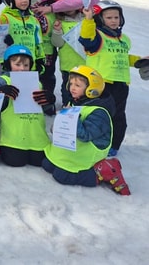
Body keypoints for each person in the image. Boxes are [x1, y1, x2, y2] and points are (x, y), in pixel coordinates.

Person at [42, 66, 130, 195]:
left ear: (92, 89)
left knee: (61, 175)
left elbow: (86, 135)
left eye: (77, 85)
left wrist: (71, 117)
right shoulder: (77, 101)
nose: (72, 87)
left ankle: (100, 172)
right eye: (71, 83)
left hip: (86, 154)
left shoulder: (99, 112)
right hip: (73, 149)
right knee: (47, 164)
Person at [79, 1, 147, 158]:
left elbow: (124, 57)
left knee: (118, 117)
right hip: (101, 84)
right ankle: (93, 140)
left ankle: (114, 145)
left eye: (116, 17)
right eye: (109, 17)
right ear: (100, 19)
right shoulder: (97, 37)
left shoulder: (124, 39)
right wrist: (88, 20)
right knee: (99, 114)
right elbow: (86, 38)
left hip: (121, 84)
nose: (114, 20)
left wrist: (139, 60)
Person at [0, 45, 54, 167]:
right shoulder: (1, 81)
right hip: (13, 138)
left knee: (39, 161)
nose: (22, 69)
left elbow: (44, 108)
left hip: (37, 137)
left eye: (26, 65)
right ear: (8, 64)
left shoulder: (37, 82)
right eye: (17, 65)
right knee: (15, 161)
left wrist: (49, 99)